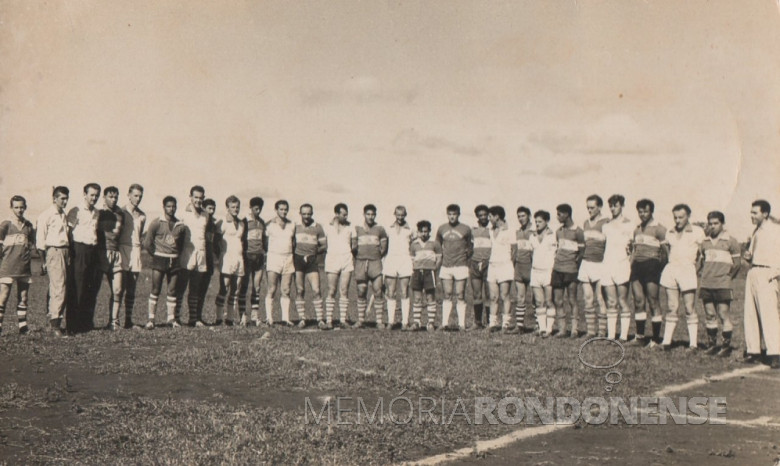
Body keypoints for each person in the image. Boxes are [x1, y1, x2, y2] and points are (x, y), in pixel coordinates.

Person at [658, 204, 705, 350]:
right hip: (672, 269)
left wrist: (695, 270)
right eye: (675, 217)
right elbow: (667, 252)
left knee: (689, 307)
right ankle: (666, 342)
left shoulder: (697, 231)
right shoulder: (670, 232)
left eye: (681, 217)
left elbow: (703, 255)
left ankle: (693, 344)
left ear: (688, 216)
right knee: (672, 306)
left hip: (687, 269)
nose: (677, 220)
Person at [741, 200, 780, 368]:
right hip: (754, 272)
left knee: (769, 314)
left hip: (767, 273)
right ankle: (754, 350)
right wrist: (748, 256)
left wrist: (775, 272)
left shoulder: (775, 230)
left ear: (765, 214)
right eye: (751, 212)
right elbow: (753, 254)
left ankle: (775, 353)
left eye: (754, 213)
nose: (751, 215)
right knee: (750, 313)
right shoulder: (756, 231)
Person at [698, 211, 741, 357]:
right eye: (710, 223)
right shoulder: (704, 242)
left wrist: (728, 278)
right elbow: (701, 262)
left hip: (722, 284)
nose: (713, 226)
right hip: (706, 283)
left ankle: (725, 346)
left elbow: (737, 264)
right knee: (710, 314)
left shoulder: (731, 241)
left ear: (722, 224)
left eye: (716, 223)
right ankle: (712, 345)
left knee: (723, 314)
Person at [143, 196, 186, 329]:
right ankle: (151, 319)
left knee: (172, 290)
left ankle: (171, 319)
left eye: (173, 206)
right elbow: (147, 243)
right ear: (164, 207)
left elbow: (181, 244)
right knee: (156, 288)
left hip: (174, 259)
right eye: (168, 206)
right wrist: (156, 255)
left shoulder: (180, 225)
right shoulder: (156, 222)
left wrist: (175, 255)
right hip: (159, 259)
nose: (171, 209)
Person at [630, 199, 667, 345]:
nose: (642, 214)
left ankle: (656, 339)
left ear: (651, 211)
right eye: (640, 211)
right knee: (638, 301)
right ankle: (639, 337)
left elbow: (666, 253)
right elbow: (634, 251)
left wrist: (659, 268)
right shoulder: (637, 229)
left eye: (645, 211)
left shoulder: (659, 229)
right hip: (637, 266)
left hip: (652, 266)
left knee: (653, 301)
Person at [66, 183, 101, 333]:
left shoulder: (97, 213)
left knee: (90, 287)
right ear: (85, 194)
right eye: (92, 195)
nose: (94, 198)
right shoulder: (76, 211)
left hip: (92, 251)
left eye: (96, 195)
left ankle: (86, 323)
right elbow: (68, 232)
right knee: (77, 288)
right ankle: (72, 325)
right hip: (79, 249)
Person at [36, 186, 70, 336]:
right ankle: (55, 325)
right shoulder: (46, 215)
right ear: (54, 198)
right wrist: (43, 262)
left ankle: (53, 320)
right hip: (54, 251)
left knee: (58, 287)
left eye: (66, 198)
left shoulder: (63, 215)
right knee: (58, 287)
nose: (65, 201)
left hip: (64, 251)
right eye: (62, 198)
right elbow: (40, 242)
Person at [600, 195, 634, 340]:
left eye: (616, 205)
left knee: (622, 301)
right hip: (608, 265)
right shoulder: (606, 226)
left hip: (622, 265)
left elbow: (633, 248)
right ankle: (611, 335)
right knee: (611, 302)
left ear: (622, 206)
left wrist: (629, 264)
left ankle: (624, 336)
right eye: (611, 206)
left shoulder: (630, 224)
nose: (613, 208)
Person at [0, 196, 35, 335]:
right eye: (16, 207)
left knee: (23, 297)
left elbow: (32, 244)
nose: (19, 210)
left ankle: (23, 327)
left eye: (22, 207)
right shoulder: (5, 225)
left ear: (25, 207)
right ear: (11, 208)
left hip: (24, 267)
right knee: (3, 297)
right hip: (8, 266)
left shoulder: (29, 225)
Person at [435, 204, 472, 331]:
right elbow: (437, 245)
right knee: (447, 294)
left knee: (460, 294)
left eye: (454, 214)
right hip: (446, 266)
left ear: (458, 214)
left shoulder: (466, 229)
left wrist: (464, 258)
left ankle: (461, 324)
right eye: (450, 214)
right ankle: (444, 324)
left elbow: (470, 248)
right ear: (447, 215)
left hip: (460, 265)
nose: (452, 217)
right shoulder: (441, 229)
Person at [351, 204, 388, 329]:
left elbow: (384, 248)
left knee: (378, 291)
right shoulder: (357, 229)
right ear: (364, 214)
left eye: (373, 214)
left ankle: (379, 321)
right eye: (368, 214)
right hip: (361, 262)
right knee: (361, 291)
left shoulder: (380, 229)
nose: (370, 217)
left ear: (375, 215)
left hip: (375, 263)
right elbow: (353, 247)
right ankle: (361, 320)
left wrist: (375, 256)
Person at [551, 204, 585, 338]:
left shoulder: (578, 231)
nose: (557, 217)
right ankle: (562, 330)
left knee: (572, 300)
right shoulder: (558, 231)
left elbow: (582, 253)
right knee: (558, 300)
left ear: (567, 214)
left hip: (571, 270)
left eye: (559, 214)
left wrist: (575, 266)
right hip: (557, 269)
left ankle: (574, 330)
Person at [179, 185, 209, 327]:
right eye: (195, 197)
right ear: (190, 197)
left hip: (201, 253)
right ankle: (176, 318)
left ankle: (193, 318)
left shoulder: (205, 215)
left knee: (195, 288)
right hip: (187, 252)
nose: (198, 200)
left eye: (200, 198)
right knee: (182, 286)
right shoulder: (183, 213)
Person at [214, 196, 247, 326]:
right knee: (224, 287)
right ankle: (218, 318)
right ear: (227, 208)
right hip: (227, 257)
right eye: (232, 207)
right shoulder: (222, 222)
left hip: (239, 258)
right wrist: (220, 255)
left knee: (236, 289)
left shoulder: (242, 224)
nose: (235, 209)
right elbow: (215, 242)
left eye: (237, 207)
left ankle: (230, 318)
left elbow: (242, 241)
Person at [579, 195, 609, 338]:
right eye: (588, 208)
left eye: (592, 207)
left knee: (600, 298)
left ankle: (602, 332)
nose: (589, 210)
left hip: (600, 264)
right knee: (587, 298)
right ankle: (591, 332)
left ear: (600, 207)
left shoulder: (606, 223)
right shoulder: (585, 223)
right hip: (586, 263)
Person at [265, 200, 299, 326]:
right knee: (272, 288)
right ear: (276, 210)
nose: (284, 212)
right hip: (274, 257)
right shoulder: (269, 225)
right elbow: (265, 242)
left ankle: (285, 318)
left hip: (288, 258)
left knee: (286, 289)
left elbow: (294, 242)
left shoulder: (292, 224)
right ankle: (269, 318)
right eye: (281, 209)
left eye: (285, 209)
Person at [294, 204, 327, 329]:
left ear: (312, 213)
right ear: (300, 213)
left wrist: (313, 253)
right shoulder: (295, 227)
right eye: (304, 214)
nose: (307, 216)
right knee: (300, 290)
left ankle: (320, 320)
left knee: (316, 290)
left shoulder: (318, 227)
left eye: (309, 213)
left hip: (312, 260)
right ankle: (302, 319)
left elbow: (324, 246)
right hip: (298, 260)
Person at [96, 186, 125, 330]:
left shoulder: (121, 214)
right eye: (110, 197)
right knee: (94, 289)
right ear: (104, 197)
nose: (113, 200)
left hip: (116, 253)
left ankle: (114, 321)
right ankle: (87, 321)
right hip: (101, 253)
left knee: (118, 289)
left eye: (116, 197)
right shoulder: (98, 213)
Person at [485, 206, 517, 333]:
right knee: (493, 297)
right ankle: (492, 324)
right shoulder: (491, 230)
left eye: (490, 216)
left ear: (497, 216)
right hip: (492, 266)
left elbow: (514, 250)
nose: (489, 219)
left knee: (505, 296)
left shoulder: (510, 230)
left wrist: (509, 265)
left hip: (505, 266)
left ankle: (505, 324)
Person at [118, 184, 146, 329]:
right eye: (135, 195)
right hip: (123, 249)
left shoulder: (142, 215)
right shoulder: (121, 212)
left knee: (132, 287)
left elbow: (139, 236)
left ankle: (128, 320)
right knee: (119, 287)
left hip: (136, 250)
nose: (138, 199)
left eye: (140, 196)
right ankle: (115, 320)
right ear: (128, 195)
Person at [408, 221, 442, 331]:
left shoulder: (435, 243)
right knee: (417, 298)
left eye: (426, 231)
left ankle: (430, 323)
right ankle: (416, 322)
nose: (423, 234)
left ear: (429, 231)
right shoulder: (414, 244)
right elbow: (412, 259)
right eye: (421, 231)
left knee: (430, 297)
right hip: (417, 271)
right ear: (418, 232)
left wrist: (434, 268)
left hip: (429, 272)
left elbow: (439, 259)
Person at [383, 206, 414, 329]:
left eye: (402, 215)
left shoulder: (411, 229)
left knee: (404, 291)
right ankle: (391, 322)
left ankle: (405, 322)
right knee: (391, 292)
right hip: (391, 259)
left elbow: (413, 246)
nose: (400, 217)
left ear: (405, 215)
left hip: (405, 260)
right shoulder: (388, 228)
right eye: (398, 215)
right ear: (394, 214)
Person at [324, 203, 353, 329]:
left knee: (344, 290)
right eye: (343, 214)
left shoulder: (350, 228)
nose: (345, 217)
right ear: (336, 214)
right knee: (331, 290)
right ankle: (329, 320)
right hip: (332, 259)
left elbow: (354, 245)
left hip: (346, 259)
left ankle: (343, 320)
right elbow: (324, 244)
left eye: (347, 214)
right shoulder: (327, 227)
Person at [239, 197, 266, 326]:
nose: (258, 210)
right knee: (244, 286)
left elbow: (264, 241)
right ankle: (242, 315)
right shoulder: (244, 222)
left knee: (257, 287)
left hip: (259, 258)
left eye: (260, 208)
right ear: (250, 208)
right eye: (256, 208)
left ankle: (255, 316)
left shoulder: (262, 223)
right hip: (247, 257)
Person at [530, 210, 556, 337]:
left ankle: (549, 329)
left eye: (540, 221)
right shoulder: (532, 236)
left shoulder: (553, 235)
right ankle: (542, 329)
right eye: (536, 221)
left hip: (548, 272)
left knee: (549, 301)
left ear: (547, 222)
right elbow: (530, 254)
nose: (537, 224)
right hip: (535, 272)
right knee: (539, 302)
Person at [469, 204, 492, 329]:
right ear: (477, 216)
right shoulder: (473, 230)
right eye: (480, 215)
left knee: (489, 294)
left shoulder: (493, 229)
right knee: (477, 294)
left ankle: (489, 322)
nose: (483, 217)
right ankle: (477, 322)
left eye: (485, 215)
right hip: (475, 263)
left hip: (489, 264)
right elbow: (470, 247)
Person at [513, 206, 534, 333]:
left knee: (536, 299)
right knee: (520, 297)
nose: (521, 219)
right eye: (519, 216)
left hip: (532, 268)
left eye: (523, 216)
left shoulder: (535, 231)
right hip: (519, 267)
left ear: (529, 216)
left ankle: (539, 326)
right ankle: (519, 326)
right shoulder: (517, 232)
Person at [200, 199, 219, 323]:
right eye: (209, 209)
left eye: (213, 209)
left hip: (209, 259)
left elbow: (215, 243)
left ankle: (198, 316)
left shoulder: (213, 223)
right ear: (203, 208)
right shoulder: (199, 220)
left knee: (203, 289)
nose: (211, 211)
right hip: (198, 257)